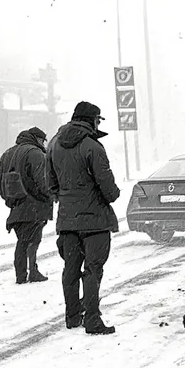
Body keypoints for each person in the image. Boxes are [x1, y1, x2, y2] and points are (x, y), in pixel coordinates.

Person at [46, 101, 121, 335]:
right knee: (92, 270)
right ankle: (93, 320)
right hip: (95, 222)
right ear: (91, 120)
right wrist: (111, 194)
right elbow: (109, 189)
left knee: (70, 269)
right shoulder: (93, 147)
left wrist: (68, 198)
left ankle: (72, 317)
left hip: (67, 221)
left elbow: (50, 184)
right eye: (98, 120)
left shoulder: (54, 145)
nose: (98, 124)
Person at [0, 127, 54, 284]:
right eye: (42, 140)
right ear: (36, 138)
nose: (44, 144)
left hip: (17, 206)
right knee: (29, 241)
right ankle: (25, 274)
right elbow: (44, 181)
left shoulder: (7, 153)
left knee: (26, 239)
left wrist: (10, 198)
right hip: (35, 205)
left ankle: (29, 271)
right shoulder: (35, 154)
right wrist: (50, 195)